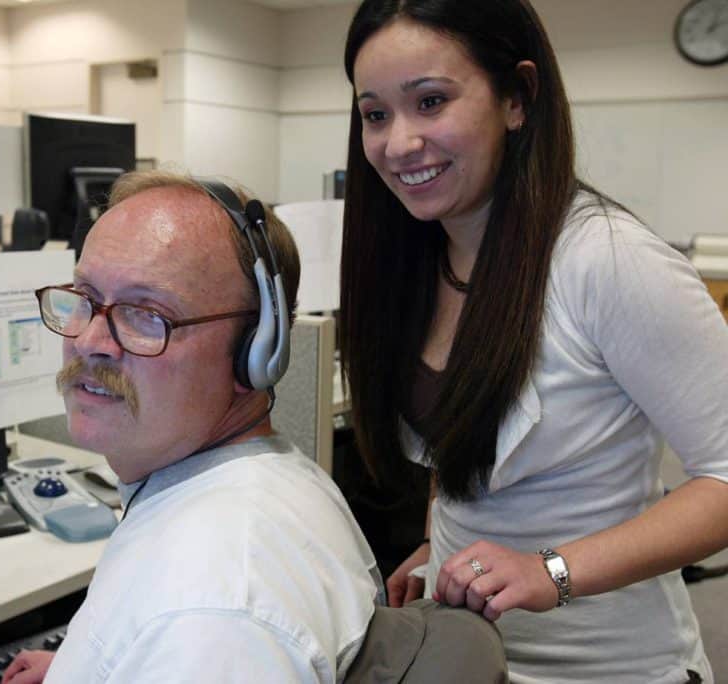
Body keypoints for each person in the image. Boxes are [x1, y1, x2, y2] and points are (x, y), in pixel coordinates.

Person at [338, 0, 728, 682]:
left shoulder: (608, 261)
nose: (398, 143)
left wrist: (552, 570)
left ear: (516, 98)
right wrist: (439, 540)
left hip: (610, 667)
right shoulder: (419, 258)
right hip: (468, 651)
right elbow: (461, 438)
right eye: (376, 114)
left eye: (431, 102)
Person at [1, 170, 384, 683]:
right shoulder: (256, 491)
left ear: (256, 352)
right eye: (85, 296)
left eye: (145, 314)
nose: (91, 339)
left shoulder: (212, 616)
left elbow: (206, 633)